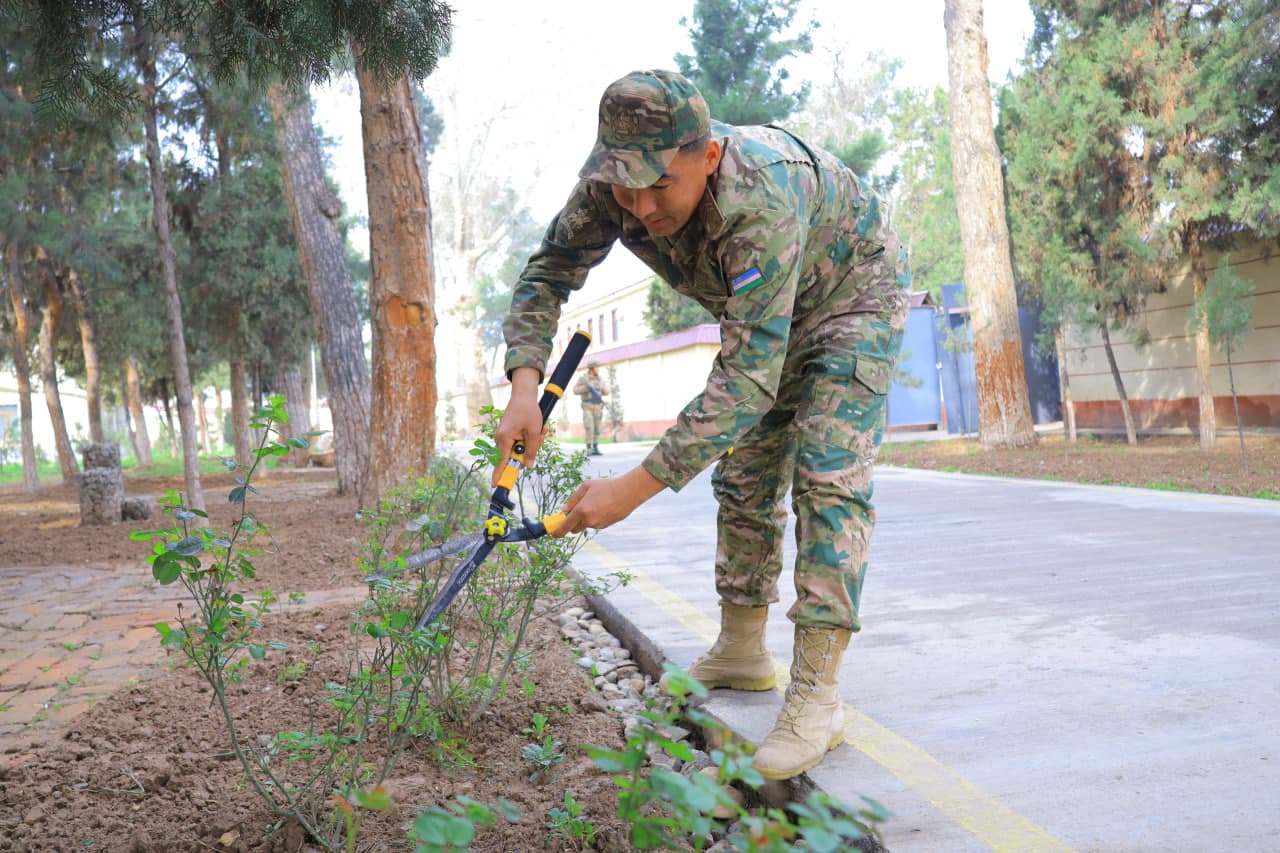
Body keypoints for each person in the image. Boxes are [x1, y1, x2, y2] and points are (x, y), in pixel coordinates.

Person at [494, 69, 908, 780]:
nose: (641, 208)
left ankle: (818, 694)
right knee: (743, 471)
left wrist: (631, 488)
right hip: (766, 317)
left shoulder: (760, 197)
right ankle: (744, 648)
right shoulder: (615, 184)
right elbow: (549, 270)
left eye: (661, 187)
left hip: (850, 299)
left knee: (826, 474)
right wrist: (525, 385)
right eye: (627, 188)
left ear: (707, 157)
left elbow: (747, 379)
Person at [573, 363, 609, 455]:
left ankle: (596, 448)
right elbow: (575, 390)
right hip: (587, 406)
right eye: (597, 368)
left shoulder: (600, 379)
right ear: (592, 369)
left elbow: (607, 392)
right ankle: (589, 449)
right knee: (589, 427)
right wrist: (586, 388)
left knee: (597, 428)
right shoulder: (583, 379)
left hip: (598, 407)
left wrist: (601, 388)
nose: (598, 370)